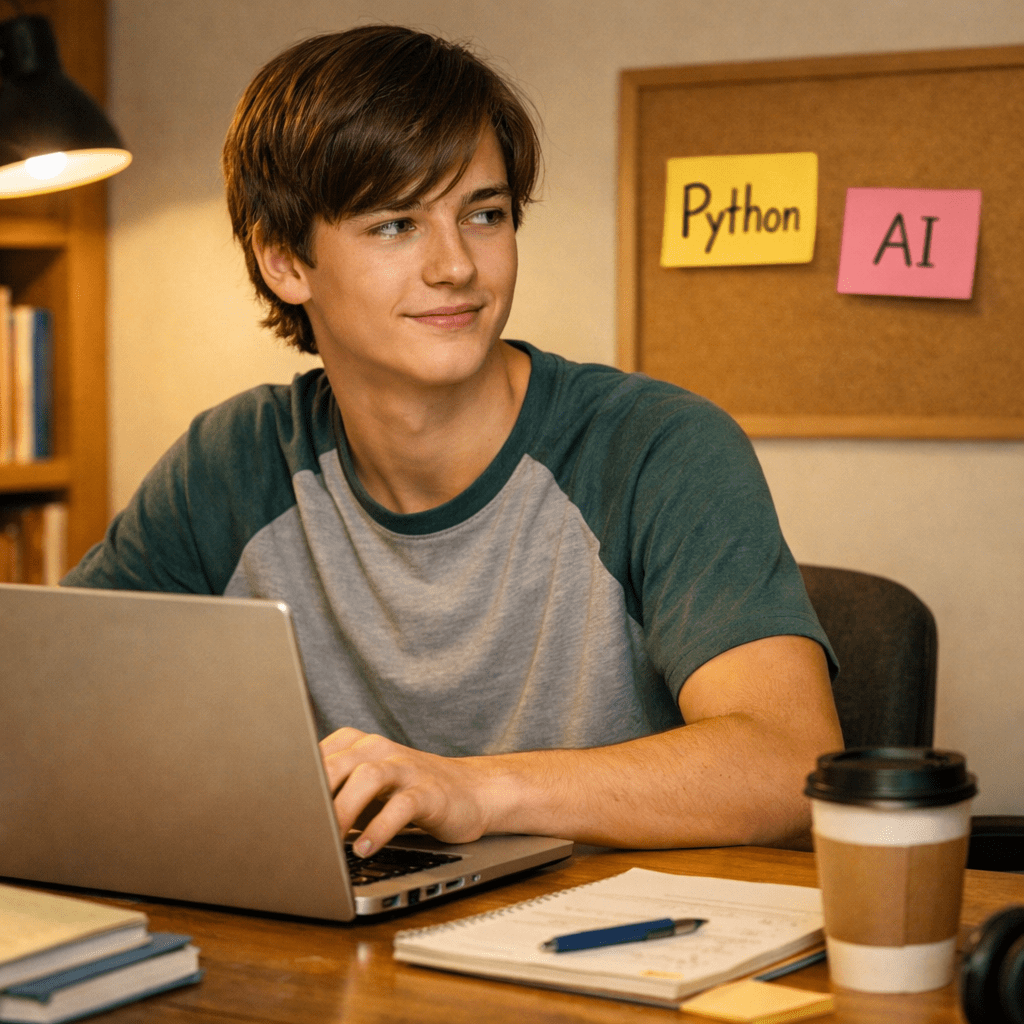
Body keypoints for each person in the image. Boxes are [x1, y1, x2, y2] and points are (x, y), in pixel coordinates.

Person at [64, 25, 843, 858]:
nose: (456, 266)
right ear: (284, 261)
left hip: (620, 952)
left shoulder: (660, 446)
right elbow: (50, 706)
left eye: (484, 214)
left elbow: (792, 763)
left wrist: (473, 788)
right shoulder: (230, 463)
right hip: (351, 952)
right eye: (396, 224)